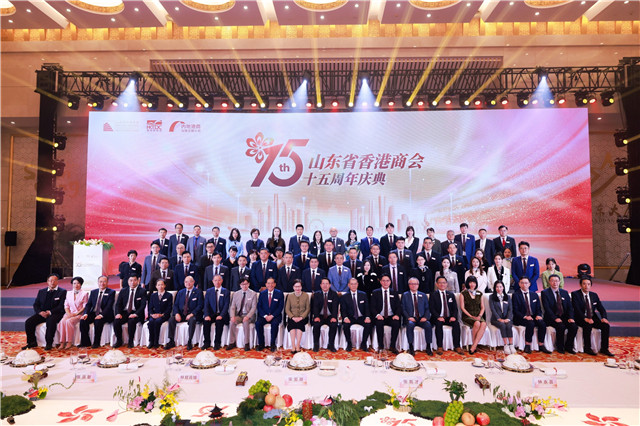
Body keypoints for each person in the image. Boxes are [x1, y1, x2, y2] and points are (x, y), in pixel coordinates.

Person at [571, 276, 613, 356]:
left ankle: (604, 348)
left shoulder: (594, 295)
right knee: (588, 325)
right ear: (580, 285)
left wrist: (604, 317)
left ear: (591, 285)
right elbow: (576, 309)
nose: (586, 286)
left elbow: (601, 308)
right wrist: (585, 318)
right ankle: (587, 348)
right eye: (584, 284)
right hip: (580, 318)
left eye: (588, 284)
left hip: (592, 317)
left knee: (605, 326)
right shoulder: (575, 294)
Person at [23, 274, 67, 350]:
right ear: (47, 282)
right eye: (50, 281)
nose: (52, 282)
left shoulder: (62, 292)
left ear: (57, 282)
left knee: (50, 321)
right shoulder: (41, 291)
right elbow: (36, 304)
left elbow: (61, 306)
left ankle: (49, 343)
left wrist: (50, 312)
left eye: (54, 280)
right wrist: (40, 312)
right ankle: (31, 342)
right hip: (42, 313)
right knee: (29, 322)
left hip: (55, 313)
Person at [512, 277, 551, 354]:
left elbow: (538, 308)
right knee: (530, 324)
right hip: (521, 317)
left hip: (533, 316)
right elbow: (515, 310)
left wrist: (538, 315)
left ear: (529, 284)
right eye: (522, 283)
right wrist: (525, 317)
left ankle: (541, 345)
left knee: (542, 323)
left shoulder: (534, 295)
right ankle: (527, 345)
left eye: (526, 283)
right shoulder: (516, 295)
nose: (524, 285)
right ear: (519, 284)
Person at [164, 276, 204, 350]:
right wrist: (176, 313)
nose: (188, 283)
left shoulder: (198, 292)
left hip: (193, 315)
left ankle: (190, 341)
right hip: (181, 314)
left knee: (192, 320)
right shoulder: (180, 292)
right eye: (186, 282)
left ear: (193, 282)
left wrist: (192, 314)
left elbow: (200, 305)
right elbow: (175, 305)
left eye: (190, 282)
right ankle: (171, 341)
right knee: (171, 319)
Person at [541, 274, 577, 354]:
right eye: (553, 281)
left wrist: (571, 317)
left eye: (557, 281)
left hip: (564, 317)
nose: (555, 283)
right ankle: (560, 347)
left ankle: (569, 346)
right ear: (549, 282)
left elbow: (570, 307)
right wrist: (555, 318)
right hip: (551, 317)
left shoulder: (564, 292)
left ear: (559, 282)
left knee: (573, 326)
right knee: (561, 326)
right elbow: (547, 308)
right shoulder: (545, 293)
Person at [429, 276, 464, 355]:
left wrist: (453, 316)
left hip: (448, 317)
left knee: (456, 323)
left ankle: (457, 346)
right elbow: (432, 308)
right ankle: (439, 347)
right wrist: (438, 317)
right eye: (440, 283)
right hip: (437, 317)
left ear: (446, 284)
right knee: (438, 324)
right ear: (436, 284)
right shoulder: (433, 295)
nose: (442, 284)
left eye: (444, 283)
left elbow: (455, 308)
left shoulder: (451, 294)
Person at [79, 275, 115, 348]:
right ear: (98, 282)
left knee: (98, 321)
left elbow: (109, 306)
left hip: (105, 314)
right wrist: (85, 314)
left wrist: (101, 315)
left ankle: (96, 342)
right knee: (83, 321)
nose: (102, 283)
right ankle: (85, 342)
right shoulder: (93, 292)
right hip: (94, 313)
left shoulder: (111, 292)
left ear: (107, 282)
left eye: (104, 281)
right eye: (100, 282)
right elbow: (89, 304)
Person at [113, 276, 147, 348]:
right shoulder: (123, 291)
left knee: (131, 321)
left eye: (134, 280)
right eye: (131, 280)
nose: (132, 282)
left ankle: (130, 341)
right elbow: (118, 304)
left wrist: (135, 314)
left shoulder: (142, 291)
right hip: (125, 312)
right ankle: (119, 340)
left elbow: (143, 305)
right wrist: (118, 313)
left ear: (138, 281)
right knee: (116, 321)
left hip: (136, 313)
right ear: (128, 281)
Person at [402, 277, 433, 356]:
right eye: (411, 284)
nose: (413, 285)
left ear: (418, 285)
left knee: (428, 325)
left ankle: (428, 346)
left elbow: (427, 308)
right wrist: (408, 317)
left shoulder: (423, 295)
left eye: (415, 284)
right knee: (410, 325)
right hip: (410, 318)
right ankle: (411, 346)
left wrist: (425, 317)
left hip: (421, 318)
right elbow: (403, 309)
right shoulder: (405, 295)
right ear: (409, 285)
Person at [340, 278, 373, 352]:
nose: (353, 286)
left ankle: (364, 343)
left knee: (368, 324)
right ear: (349, 285)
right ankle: (349, 343)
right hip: (350, 317)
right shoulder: (344, 297)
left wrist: (367, 317)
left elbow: (367, 308)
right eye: (352, 284)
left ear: (357, 285)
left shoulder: (363, 295)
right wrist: (345, 318)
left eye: (355, 284)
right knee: (345, 325)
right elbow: (343, 309)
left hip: (361, 317)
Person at [371, 275, 401, 354]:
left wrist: (397, 315)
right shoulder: (375, 292)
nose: (385, 282)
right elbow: (372, 307)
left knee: (396, 323)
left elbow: (398, 306)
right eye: (383, 281)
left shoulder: (394, 292)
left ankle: (392, 346)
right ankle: (380, 346)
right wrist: (377, 315)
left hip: (391, 316)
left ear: (390, 282)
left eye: (387, 281)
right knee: (379, 323)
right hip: (380, 316)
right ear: (380, 282)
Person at [57, 276, 89, 349]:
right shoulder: (68, 293)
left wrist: (76, 314)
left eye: (78, 283)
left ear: (81, 284)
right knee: (62, 322)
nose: (76, 285)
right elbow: (66, 305)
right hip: (69, 313)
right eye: (74, 283)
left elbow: (85, 306)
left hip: (79, 314)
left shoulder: (85, 294)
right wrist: (68, 313)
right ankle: (62, 342)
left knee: (69, 322)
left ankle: (69, 341)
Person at [255, 277, 284, 352]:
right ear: (266, 284)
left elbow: (280, 307)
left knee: (275, 324)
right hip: (264, 316)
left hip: (275, 316)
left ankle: (273, 344)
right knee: (258, 323)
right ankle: (261, 344)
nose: (270, 285)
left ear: (275, 284)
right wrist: (265, 316)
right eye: (268, 283)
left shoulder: (279, 293)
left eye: (272, 283)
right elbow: (259, 306)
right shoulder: (262, 293)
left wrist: (272, 316)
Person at [228, 278, 258, 351]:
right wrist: (232, 316)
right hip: (239, 315)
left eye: (246, 284)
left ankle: (246, 343)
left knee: (245, 322)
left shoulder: (253, 294)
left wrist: (248, 316)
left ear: (249, 284)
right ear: (240, 285)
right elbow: (232, 307)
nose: (244, 286)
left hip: (249, 315)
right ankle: (232, 342)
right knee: (232, 322)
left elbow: (254, 307)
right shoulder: (236, 294)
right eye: (242, 284)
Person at [460, 276, 487, 354]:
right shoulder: (463, 293)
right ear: (467, 283)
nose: (472, 284)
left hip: (478, 315)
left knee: (483, 324)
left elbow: (482, 307)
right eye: (470, 282)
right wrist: (471, 316)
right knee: (477, 323)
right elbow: (462, 307)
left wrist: (479, 316)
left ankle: (474, 345)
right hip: (467, 315)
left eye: (474, 282)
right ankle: (474, 346)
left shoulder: (480, 293)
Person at [202, 274, 230, 350]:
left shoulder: (226, 291)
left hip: (222, 314)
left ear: (222, 281)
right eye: (215, 280)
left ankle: (217, 343)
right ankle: (206, 342)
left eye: (219, 280)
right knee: (206, 322)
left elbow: (226, 306)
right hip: (211, 314)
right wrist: (206, 315)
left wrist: (221, 315)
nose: (217, 282)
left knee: (219, 322)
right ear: (213, 281)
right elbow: (206, 305)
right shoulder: (209, 291)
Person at [312, 278, 339, 352]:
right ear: (320, 285)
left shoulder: (334, 294)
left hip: (330, 316)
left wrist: (334, 317)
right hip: (320, 316)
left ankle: (331, 345)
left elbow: (335, 307)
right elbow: (314, 307)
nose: (325, 285)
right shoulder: (317, 294)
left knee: (333, 325)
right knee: (316, 325)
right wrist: (316, 316)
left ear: (330, 285)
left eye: (327, 283)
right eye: (323, 283)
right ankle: (316, 345)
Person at [489, 280, 515, 354]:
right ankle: (505, 345)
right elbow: (493, 309)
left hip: (507, 318)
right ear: (495, 288)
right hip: (496, 319)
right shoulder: (491, 297)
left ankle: (511, 345)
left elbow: (510, 309)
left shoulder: (508, 297)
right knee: (502, 325)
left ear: (503, 287)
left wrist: (508, 318)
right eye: (497, 287)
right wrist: (499, 319)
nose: (499, 288)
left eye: (500, 287)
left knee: (509, 325)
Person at [146, 279, 173, 349]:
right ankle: (151, 341)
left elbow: (169, 308)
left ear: (165, 285)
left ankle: (156, 342)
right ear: (156, 286)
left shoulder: (169, 295)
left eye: (162, 285)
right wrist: (152, 314)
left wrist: (161, 315)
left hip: (164, 315)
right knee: (151, 322)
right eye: (158, 285)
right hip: (154, 315)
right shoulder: (153, 295)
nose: (160, 286)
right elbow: (150, 307)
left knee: (157, 322)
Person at [285, 280, 310, 353]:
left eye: (299, 286)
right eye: (296, 287)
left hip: (302, 317)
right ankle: (293, 347)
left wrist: (301, 317)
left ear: (301, 287)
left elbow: (308, 308)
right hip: (292, 317)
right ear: (293, 287)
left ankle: (298, 346)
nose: (297, 288)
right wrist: (292, 317)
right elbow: (287, 309)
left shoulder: (306, 295)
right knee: (292, 326)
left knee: (299, 325)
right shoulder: (290, 296)